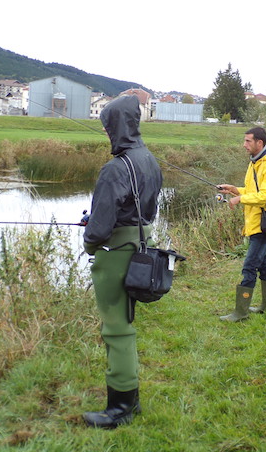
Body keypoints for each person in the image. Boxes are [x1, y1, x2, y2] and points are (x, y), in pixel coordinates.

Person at [82, 95, 162, 429]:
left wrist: (89, 241)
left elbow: (99, 228)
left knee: (116, 329)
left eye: (106, 126)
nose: (105, 132)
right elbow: (146, 209)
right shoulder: (149, 159)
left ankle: (121, 408)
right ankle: (132, 400)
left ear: (115, 126)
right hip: (142, 248)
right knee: (124, 323)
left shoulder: (115, 169)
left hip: (116, 254)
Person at [218, 127, 266, 322]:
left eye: (248, 141)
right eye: (245, 140)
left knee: (249, 266)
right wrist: (235, 190)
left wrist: (240, 199)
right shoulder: (255, 162)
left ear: (260, 143)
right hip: (256, 221)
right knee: (262, 263)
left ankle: (241, 312)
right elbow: (252, 191)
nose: (244, 145)